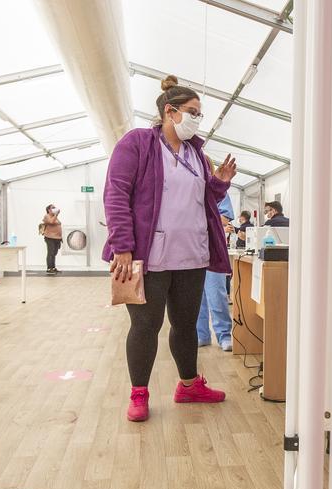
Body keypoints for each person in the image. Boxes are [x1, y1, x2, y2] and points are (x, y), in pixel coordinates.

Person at [104, 75, 237, 422]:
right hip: (149, 256)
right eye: (193, 112)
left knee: (186, 324)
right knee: (146, 325)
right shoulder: (137, 144)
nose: (197, 119)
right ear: (170, 111)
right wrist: (122, 246)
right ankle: (139, 394)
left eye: (199, 114)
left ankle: (189, 385)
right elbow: (116, 193)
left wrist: (219, 182)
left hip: (191, 253)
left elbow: (204, 200)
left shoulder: (196, 153)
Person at [198, 195, 236, 351]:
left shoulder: (219, 193)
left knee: (217, 295)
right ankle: (201, 335)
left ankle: (224, 335)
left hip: (214, 251)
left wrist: (198, 219)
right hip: (192, 251)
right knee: (196, 298)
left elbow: (224, 219)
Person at [41, 204, 63, 275]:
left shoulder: (54, 216)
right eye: (53, 208)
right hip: (50, 238)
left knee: (54, 253)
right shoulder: (47, 216)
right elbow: (51, 222)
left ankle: (53, 268)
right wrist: (56, 215)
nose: (54, 208)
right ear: (49, 210)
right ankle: (49, 268)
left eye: (55, 207)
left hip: (57, 238)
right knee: (50, 253)